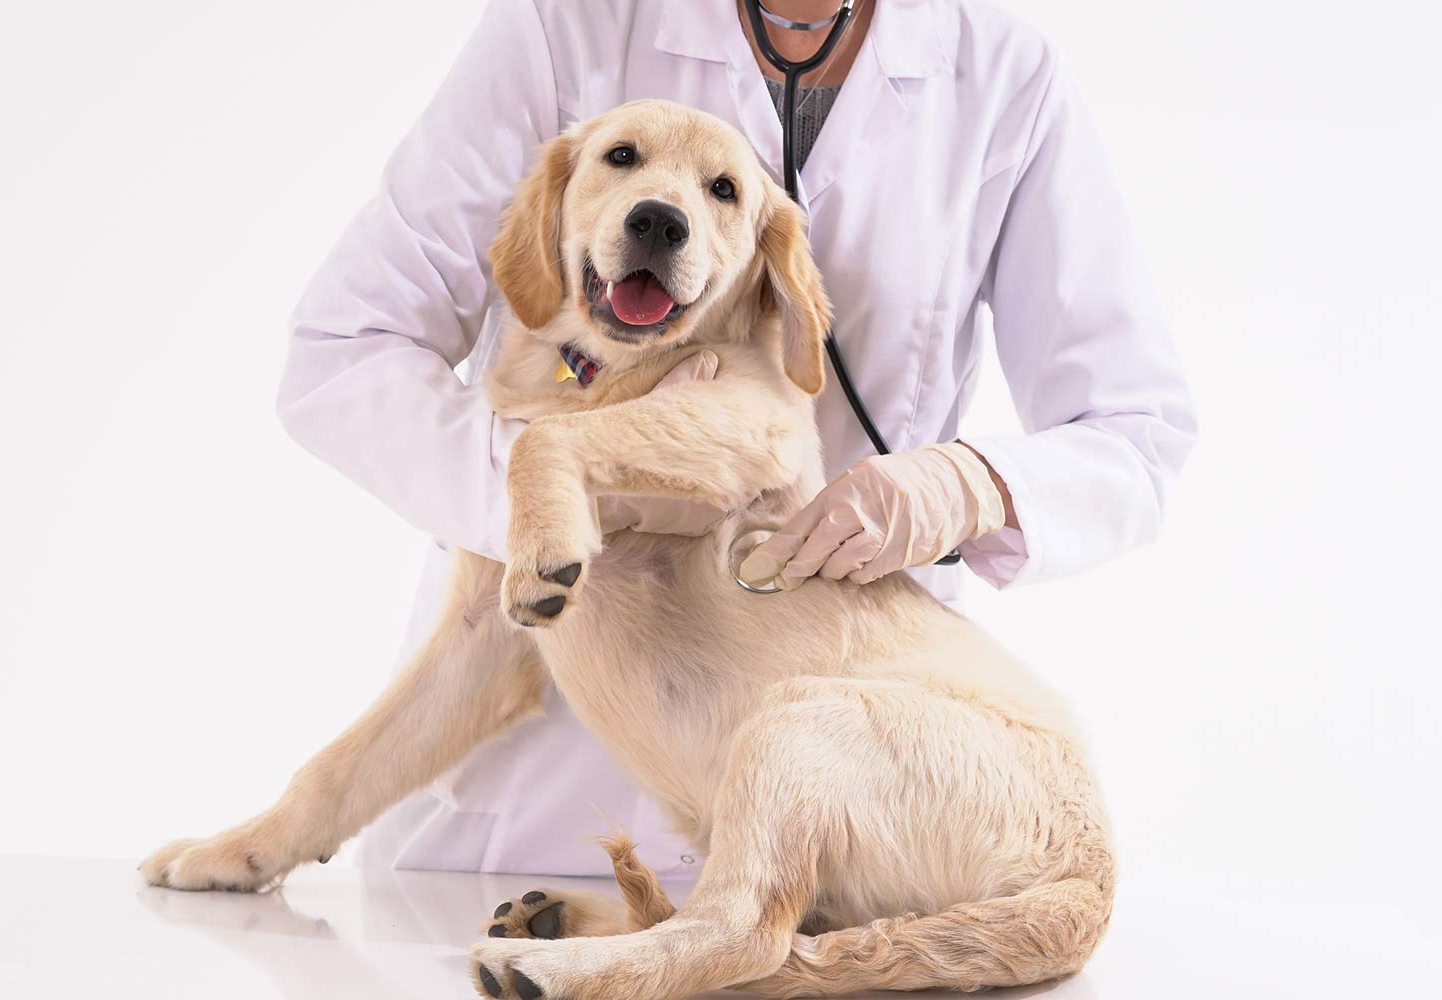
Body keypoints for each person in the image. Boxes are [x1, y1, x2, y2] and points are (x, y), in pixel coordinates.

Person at [278, 0, 1196, 878]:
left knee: (787, 914)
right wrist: (566, 499)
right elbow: (344, 348)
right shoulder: (566, 21)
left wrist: (965, 487)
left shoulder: (1004, 77)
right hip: (533, 814)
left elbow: (1134, 431)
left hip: (848, 787)